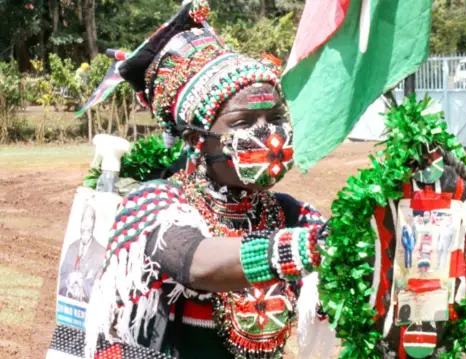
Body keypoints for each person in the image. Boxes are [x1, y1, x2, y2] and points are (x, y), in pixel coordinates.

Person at [84, 3, 329, 359]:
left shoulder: (287, 213)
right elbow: (197, 263)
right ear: (195, 137)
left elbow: (348, 255)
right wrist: (307, 248)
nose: (269, 135)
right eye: (244, 123)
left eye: (275, 118)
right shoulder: (156, 204)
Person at [58, 204, 105, 303]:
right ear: (80, 223)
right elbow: (60, 279)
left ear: (94, 224)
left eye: (90, 219)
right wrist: (69, 280)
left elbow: (101, 293)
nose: (86, 224)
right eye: (84, 220)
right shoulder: (72, 247)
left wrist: (81, 282)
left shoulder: (101, 252)